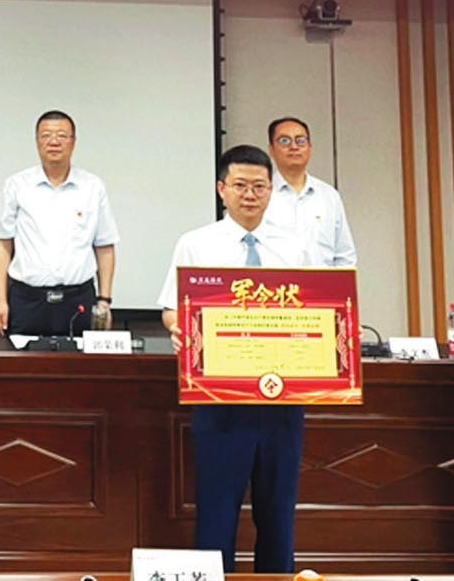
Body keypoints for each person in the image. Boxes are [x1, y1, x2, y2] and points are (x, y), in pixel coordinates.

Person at [157, 144, 322, 574]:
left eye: (260, 187)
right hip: (220, 398)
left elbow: (320, 306)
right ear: (222, 189)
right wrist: (178, 328)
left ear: (271, 191)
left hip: (282, 398)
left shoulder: (295, 246)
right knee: (216, 511)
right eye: (241, 185)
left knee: (278, 513)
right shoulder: (196, 243)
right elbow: (172, 308)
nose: (250, 195)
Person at [0, 109, 119, 336]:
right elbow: (2, 244)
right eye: (46, 135)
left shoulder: (92, 187)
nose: (54, 142)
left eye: (62, 136)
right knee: (21, 358)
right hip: (27, 301)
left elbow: (105, 246)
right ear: (37, 141)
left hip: (78, 300)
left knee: (80, 359)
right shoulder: (17, 185)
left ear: (73, 142)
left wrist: (105, 300)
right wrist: (1, 301)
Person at [262, 116, 357, 268]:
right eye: (284, 141)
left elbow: (345, 256)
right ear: (271, 150)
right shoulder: (260, 194)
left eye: (301, 141)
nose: (294, 146)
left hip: (322, 283)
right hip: (275, 283)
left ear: (310, 148)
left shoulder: (329, 196)